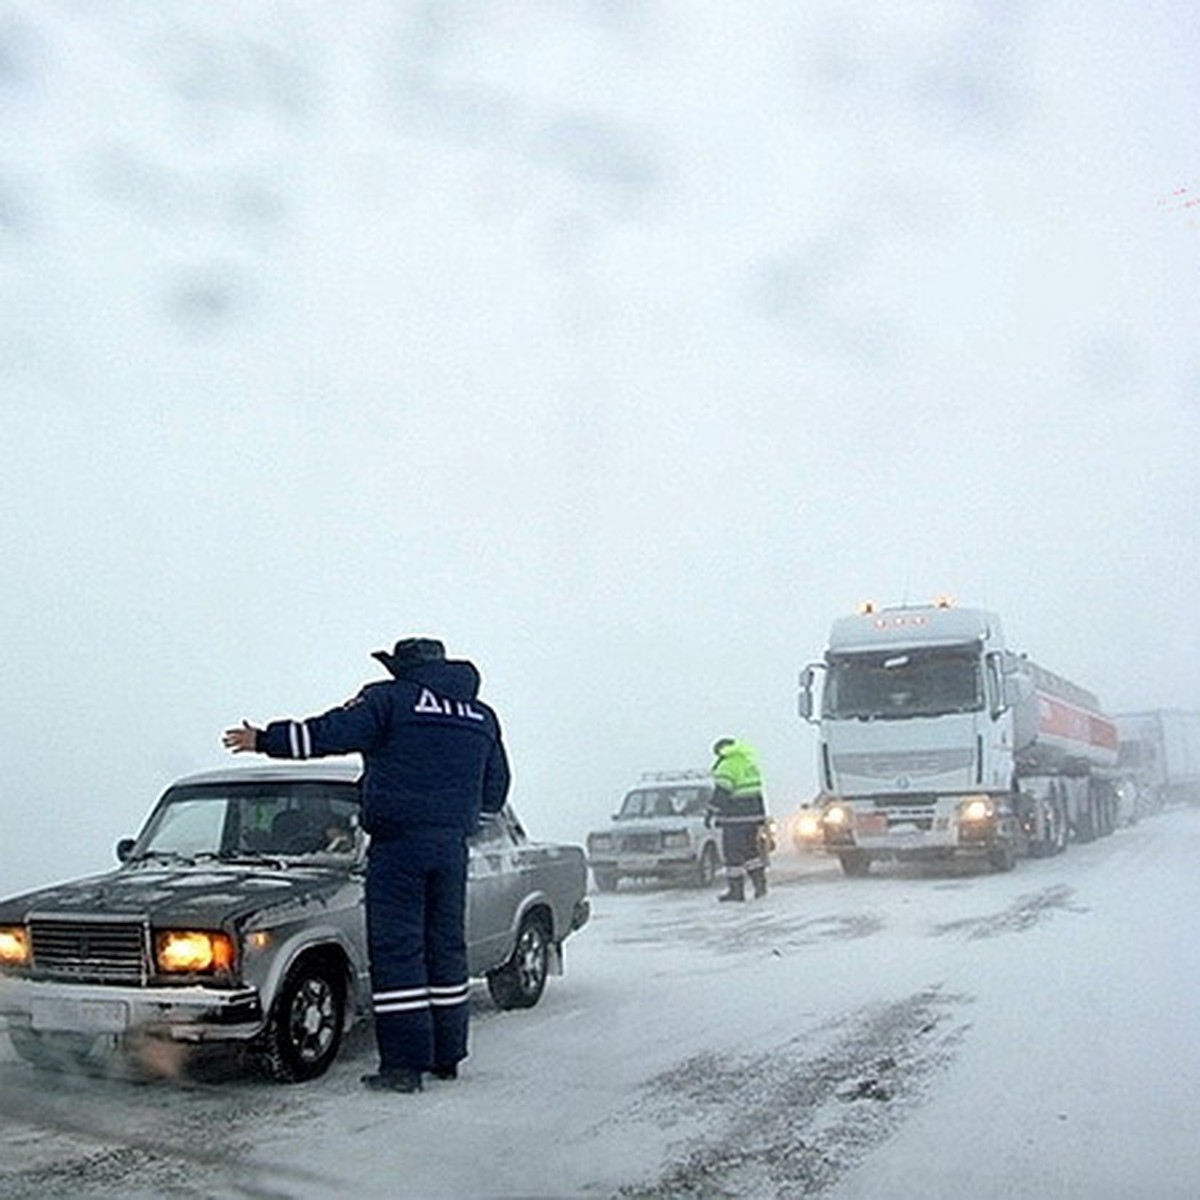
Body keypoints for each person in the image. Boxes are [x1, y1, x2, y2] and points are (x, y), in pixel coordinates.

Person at [222, 636, 510, 1093]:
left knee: (399, 952)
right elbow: (496, 791)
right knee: (445, 948)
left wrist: (264, 739)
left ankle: (403, 1067)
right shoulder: (481, 716)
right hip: (451, 849)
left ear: (404, 668)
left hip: (399, 846)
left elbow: (330, 732)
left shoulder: (389, 699)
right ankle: (446, 1055)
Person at [706, 737, 768, 902]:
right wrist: (761, 818)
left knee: (733, 856)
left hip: (734, 819)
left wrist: (711, 812)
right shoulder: (748, 764)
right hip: (752, 818)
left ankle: (736, 891)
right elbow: (757, 793)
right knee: (751, 853)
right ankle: (760, 886)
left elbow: (722, 792)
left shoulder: (727, 766)